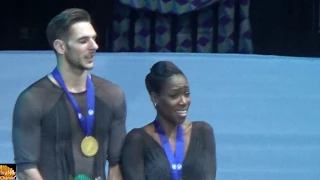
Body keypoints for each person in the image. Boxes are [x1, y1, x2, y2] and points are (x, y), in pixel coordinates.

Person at [12, 8, 127, 180]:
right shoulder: (32, 99)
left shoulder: (112, 94)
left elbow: (117, 164)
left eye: (94, 39)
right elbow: (22, 169)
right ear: (60, 47)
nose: (94, 46)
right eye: (83, 41)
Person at [120, 61, 217, 180]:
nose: (184, 101)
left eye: (187, 94)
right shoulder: (137, 140)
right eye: (174, 96)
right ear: (155, 98)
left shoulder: (203, 132)